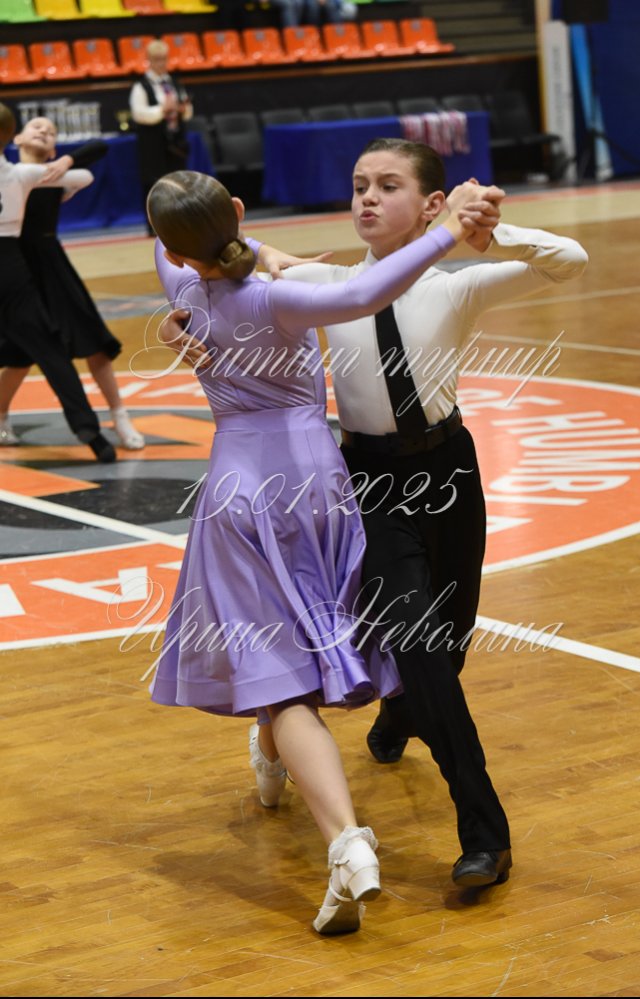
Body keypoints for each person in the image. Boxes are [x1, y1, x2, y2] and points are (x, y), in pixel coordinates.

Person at [146, 168, 503, 933]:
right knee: (296, 649)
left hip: (242, 486)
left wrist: (179, 311)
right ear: (238, 210)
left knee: (277, 669)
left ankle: (341, 838)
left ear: (176, 250)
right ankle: (276, 761)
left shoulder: (182, 285)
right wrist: (448, 230)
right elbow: (365, 293)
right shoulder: (277, 297)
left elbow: (171, 247)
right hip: (319, 484)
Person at [244, 138, 589, 889]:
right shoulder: (330, 284)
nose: (367, 197)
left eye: (387, 185)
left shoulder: (455, 287)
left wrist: (493, 232)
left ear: (433, 205)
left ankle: (401, 713)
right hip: (368, 481)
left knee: (446, 649)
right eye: (359, 184)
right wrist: (213, 280)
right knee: (422, 646)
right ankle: (486, 835)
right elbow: (241, 269)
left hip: (449, 471)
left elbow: (570, 259)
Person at [0, 116, 144, 451]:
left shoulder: (59, 178)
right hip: (18, 271)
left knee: (95, 344)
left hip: (53, 268)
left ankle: (120, 416)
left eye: (51, 132)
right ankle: (2, 417)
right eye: (37, 127)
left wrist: (66, 160)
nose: (44, 132)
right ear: (16, 138)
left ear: (54, 149)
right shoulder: (12, 174)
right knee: (19, 357)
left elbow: (98, 150)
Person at [129, 40, 193, 231]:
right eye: (157, 60)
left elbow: (188, 110)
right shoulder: (141, 86)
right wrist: (162, 110)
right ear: (149, 60)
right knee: (155, 183)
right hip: (153, 143)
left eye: (164, 59)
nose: (161, 63)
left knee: (178, 182)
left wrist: (183, 109)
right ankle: (156, 226)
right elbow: (138, 114)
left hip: (175, 141)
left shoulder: (174, 82)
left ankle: (180, 222)